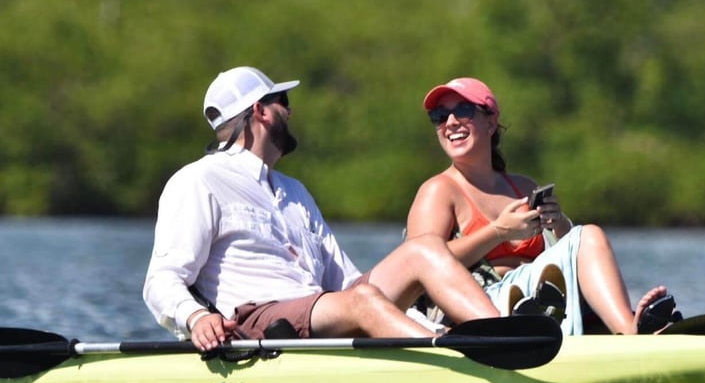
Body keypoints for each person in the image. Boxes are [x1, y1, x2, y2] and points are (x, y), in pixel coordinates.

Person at [143, 66, 499, 353]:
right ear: (259, 111)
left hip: (320, 308)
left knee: (424, 249)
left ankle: (503, 338)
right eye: (282, 101)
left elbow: (345, 282)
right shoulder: (198, 180)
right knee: (361, 301)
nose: (290, 110)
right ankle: (454, 363)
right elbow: (162, 279)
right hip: (257, 318)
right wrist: (194, 317)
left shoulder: (294, 192)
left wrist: (414, 315)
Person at [406, 77, 705, 335]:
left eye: (463, 111)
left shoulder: (520, 186)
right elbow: (419, 268)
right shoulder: (438, 192)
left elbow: (559, 254)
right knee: (587, 236)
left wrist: (558, 227)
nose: (451, 122)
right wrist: (499, 233)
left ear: (491, 123)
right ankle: (631, 333)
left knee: (577, 236)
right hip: (484, 313)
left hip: (540, 305)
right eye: (440, 116)